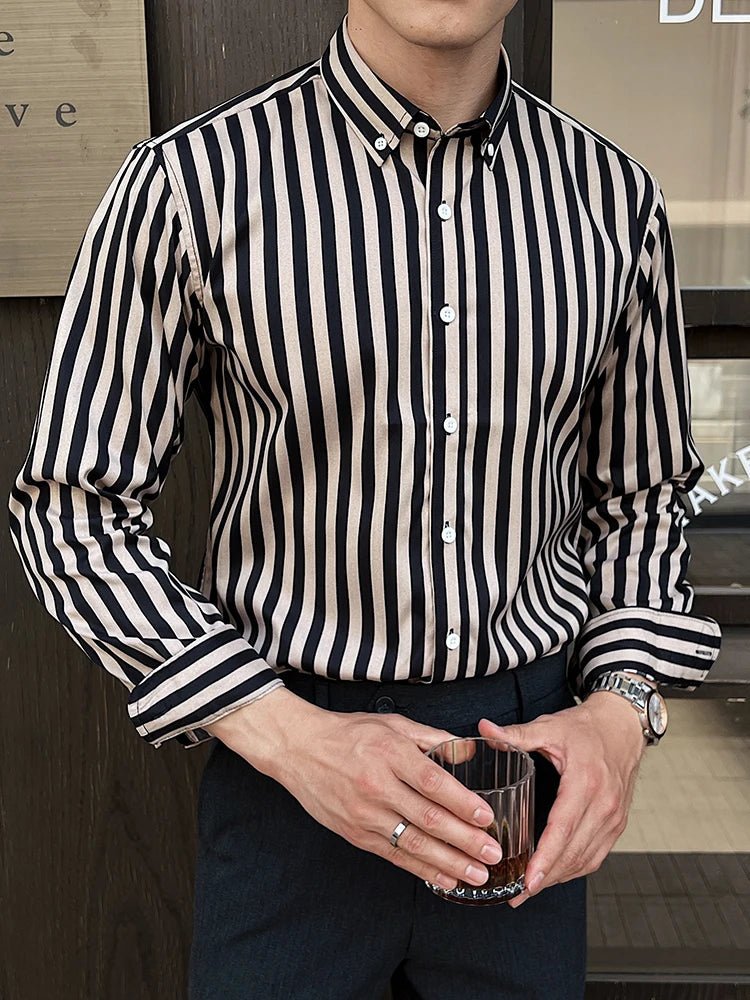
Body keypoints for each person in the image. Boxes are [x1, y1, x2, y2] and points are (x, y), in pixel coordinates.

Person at [7, 1, 723, 997]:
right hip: (287, 763)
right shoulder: (189, 184)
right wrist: (284, 733)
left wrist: (620, 710)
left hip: (523, 765)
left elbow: (642, 497)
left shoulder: (611, 199)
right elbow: (73, 508)